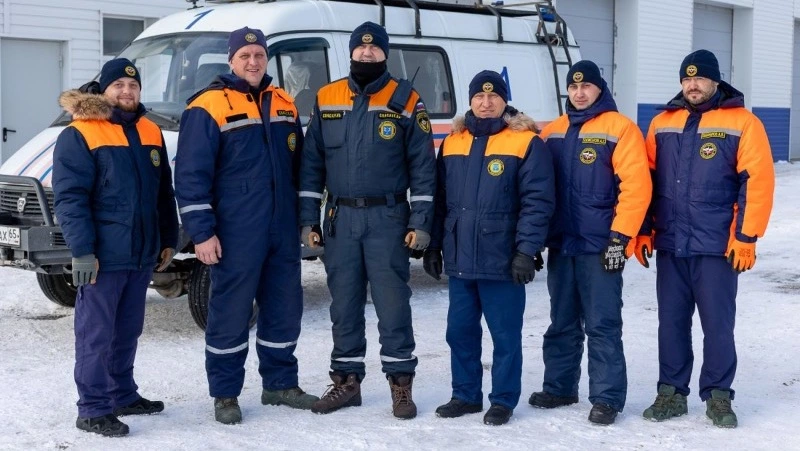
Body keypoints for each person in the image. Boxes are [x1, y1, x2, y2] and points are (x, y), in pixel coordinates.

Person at [174, 27, 317, 425]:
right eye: (245, 56)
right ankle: (225, 394)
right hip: (236, 230)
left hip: (281, 228)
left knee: (284, 308)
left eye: (258, 54)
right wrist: (201, 232)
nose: (252, 62)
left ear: (266, 58)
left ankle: (280, 384)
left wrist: (306, 221)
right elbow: (190, 176)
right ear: (231, 60)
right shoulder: (208, 106)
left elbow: (301, 169)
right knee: (231, 312)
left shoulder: (284, 102)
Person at [299, 21, 436, 419]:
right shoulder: (327, 97)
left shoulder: (407, 100)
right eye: (360, 48)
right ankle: (346, 382)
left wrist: (421, 221)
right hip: (340, 218)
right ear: (351, 51)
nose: (366, 54)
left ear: (385, 53)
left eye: (374, 49)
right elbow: (311, 166)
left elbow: (424, 169)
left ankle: (400, 385)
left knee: (393, 305)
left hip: (389, 218)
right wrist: (309, 220)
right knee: (343, 304)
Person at [639, 49, 775, 428]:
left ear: (715, 81)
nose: (692, 85)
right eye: (686, 79)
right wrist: (644, 229)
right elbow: (645, 181)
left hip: (717, 245)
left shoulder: (743, 122)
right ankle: (671, 392)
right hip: (670, 242)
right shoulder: (662, 123)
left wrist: (746, 236)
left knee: (717, 324)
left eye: (699, 79)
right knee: (671, 321)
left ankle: (718, 395)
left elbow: (757, 181)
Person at [53, 58, 179, 437]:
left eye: (133, 86)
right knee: (96, 333)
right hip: (102, 257)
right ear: (103, 90)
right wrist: (82, 251)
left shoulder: (150, 130)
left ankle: (122, 394)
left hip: (140, 253)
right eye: (119, 86)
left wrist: (168, 238)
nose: (127, 92)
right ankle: (92, 409)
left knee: (127, 329)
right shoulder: (81, 133)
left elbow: (162, 192)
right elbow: (70, 199)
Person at [422, 71, 555, 426]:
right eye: (479, 97)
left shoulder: (525, 143)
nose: (485, 102)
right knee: (459, 332)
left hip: (503, 259)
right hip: (461, 258)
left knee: (505, 335)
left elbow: (537, 203)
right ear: (470, 101)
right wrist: (434, 246)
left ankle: (503, 399)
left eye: (493, 96)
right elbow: (441, 200)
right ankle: (465, 395)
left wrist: (527, 251)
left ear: (504, 100)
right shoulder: (452, 142)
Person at [528, 60, 652, 425]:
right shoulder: (552, 131)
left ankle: (607, 397)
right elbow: (536, 187)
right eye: (573, 87)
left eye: (586, 87)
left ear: (600, 89)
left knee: (602, 324)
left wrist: (621, 237)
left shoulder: (620, 128)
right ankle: (560, 387)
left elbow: (636, 187)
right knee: (561, 322)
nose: (579, 93)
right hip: (562, 245)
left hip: (601, 246)